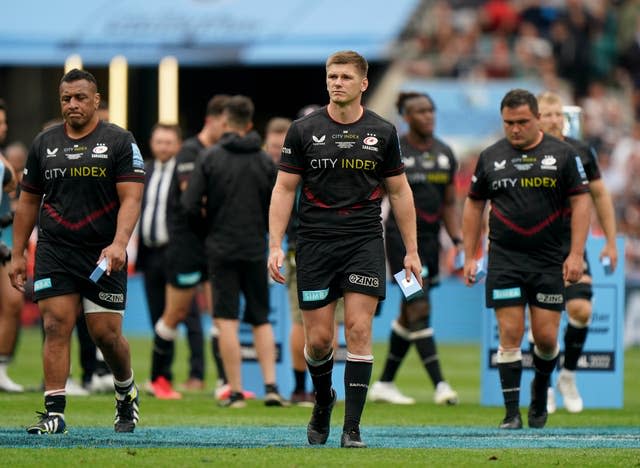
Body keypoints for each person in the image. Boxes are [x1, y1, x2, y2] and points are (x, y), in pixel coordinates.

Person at [268, 50, 421, 448]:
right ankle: (323, 402)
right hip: (314, 244)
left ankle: (352, 427)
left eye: (345, 77)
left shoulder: (384, 132)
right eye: (332, 76)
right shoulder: (303, 130)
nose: (337, 83)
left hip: (364, 241)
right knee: (318, 341)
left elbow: (400, 191)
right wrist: (275, 244)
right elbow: (284, 189)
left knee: (358, 328)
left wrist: (412, 250)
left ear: (363, 84)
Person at [9, 69, 144, 434]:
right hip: (55, 248)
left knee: (105, 335)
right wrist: (19, 253)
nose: (73, 105)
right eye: (66, 99)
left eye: (80, 98)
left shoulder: (119, 141)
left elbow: (131, 198)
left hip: (103, 253)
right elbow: (27, 202)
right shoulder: (44, 143)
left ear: (96, 100)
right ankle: (55, 412)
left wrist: (119, 243)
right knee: (55, 324)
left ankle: (125, 393)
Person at [461, 88, 591, 430]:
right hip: (504, 259)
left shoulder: (563, 155)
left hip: (548, 258)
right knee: (510, 333)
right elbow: (474, 204)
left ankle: (539, 390)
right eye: (508, 123)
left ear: (537, 119)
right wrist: (469, 255)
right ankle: (510, 413)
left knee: (547, 340)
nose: (515, 129)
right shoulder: (490, 156)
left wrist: (576, 253)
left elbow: (582, 202)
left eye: (522, 122)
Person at [183, 95, 285, 408]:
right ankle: (270, 387)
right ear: (251, 124)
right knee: (261, 318)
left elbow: (188, 205)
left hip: (220, 248)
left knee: (225, 319)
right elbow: (278, 204)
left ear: (225, 123)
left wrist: (207, 232)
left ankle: (236, 391)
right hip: (255, 247)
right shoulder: (265, 160)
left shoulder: (211, 157)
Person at [369, 92, 461, 406]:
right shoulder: (395, 151)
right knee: (418, 306)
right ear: (406, 117)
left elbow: (449, 201)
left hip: (432, 246)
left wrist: (457, 240)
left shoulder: (445, 153)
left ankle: (384, 383)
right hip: (401, 245)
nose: (428, 116)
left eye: (431, 110)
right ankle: (441, 385)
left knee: (410, 313)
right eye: (420, 111)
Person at [536, 91, 618, 413]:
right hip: (536, 246)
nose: (555, 119)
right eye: (548, 114)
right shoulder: (525, 153)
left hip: (573, 245)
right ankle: (545, 385)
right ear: (536, 118)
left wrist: (610, 242)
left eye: (558, 113)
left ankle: (567, 375)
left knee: (581, 310)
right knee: (543, 324)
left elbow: (600, 196)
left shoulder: (582, 151)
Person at [150, 95, 232, 400]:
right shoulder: (189, 151)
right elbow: (193, 197)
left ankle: (225, 383)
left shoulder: (222, 151)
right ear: (211, 122)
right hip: (186, 245)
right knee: (175, 313)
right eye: (225, 125)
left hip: (214, 243)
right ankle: (158, 379)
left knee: (220, 313)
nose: (228, 130)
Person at [136, 123, 206, 398]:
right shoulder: (146, 171)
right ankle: (163, 377)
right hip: (150, 253)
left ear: (178, 144)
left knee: (188, 315)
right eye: (158, 142)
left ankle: (197, 374)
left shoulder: (186, 171)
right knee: (159, 317)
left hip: (178, 252)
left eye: (168, 142)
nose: (163, 147)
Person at [0, 98, 22, 393]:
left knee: (13, 303)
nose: (2, 128)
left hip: (3, 243)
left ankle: (1, 371)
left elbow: (11, 195)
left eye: (4, 122)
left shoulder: (3, 162)